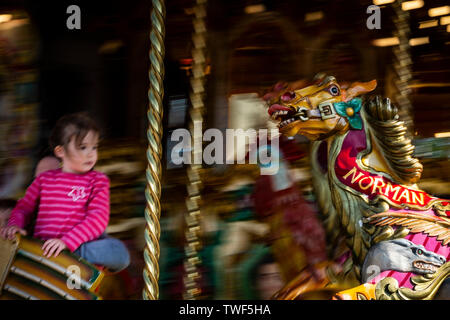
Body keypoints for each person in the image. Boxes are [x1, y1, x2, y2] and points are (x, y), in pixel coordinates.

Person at [0, 112, 130, 272]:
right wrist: (14, 225)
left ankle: (75, 253)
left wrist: (67, 242)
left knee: (119, 253)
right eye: (83, 147)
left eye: (94, 147)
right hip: (44, 245)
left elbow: (98, 218)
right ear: (60, 151)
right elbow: (24, 208)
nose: (91, 153)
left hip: (77, 244)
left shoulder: (97, 180)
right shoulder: (44, 180)